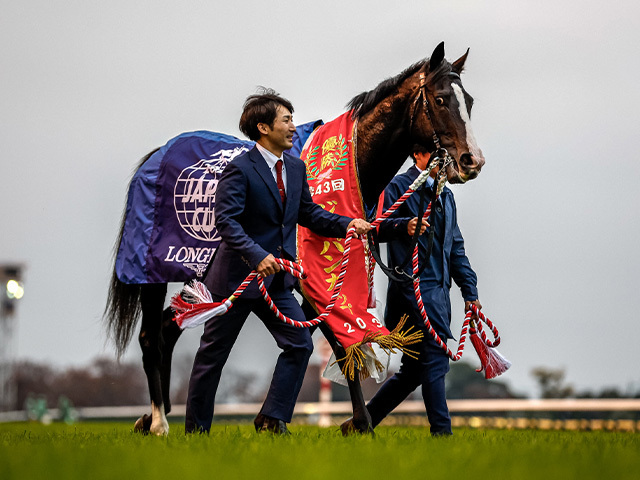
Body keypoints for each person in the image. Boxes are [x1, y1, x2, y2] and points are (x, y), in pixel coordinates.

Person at [185, 89, 371, 434]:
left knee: (300, 345)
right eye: (286, 120)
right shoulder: (239, 170)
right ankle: (195, 432)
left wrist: (347, 224)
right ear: (263, 127)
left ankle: (272, 419)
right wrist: (257, 256)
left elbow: (308, 214)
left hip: (278, 283)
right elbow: (227, 223)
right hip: (235, 283)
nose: (292, 127)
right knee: (212, 357)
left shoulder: (296, 168)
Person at [365, 145, 481, 436]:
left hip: (437, 296)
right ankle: (442, 434)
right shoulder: (398, 187)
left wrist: (470, 291)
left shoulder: (446, 195)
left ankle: (360, 424)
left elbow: (455, 247)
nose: (445, 160)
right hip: (412, 293)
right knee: (436, 360)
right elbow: (373, 227)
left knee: (413, 372)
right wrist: (404, 226)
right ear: (417, 154)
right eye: (437, 154)